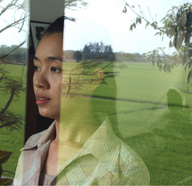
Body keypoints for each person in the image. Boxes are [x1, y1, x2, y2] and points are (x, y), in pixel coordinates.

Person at [14, 16, 150, 185]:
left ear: (92, 79)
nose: (38, 81)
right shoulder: (31, 147)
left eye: (55, 69)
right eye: (37, 67)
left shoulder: (124, 170)